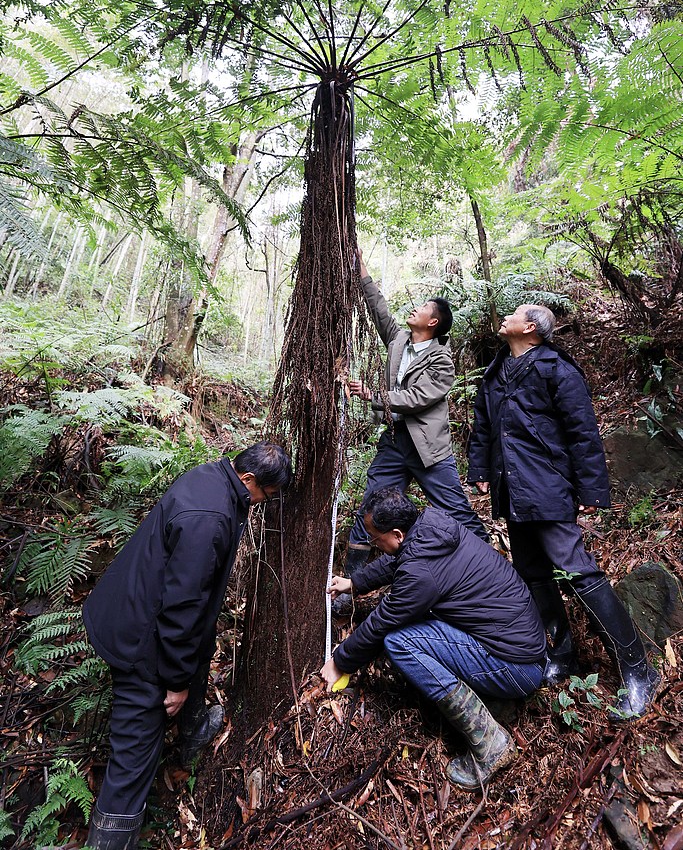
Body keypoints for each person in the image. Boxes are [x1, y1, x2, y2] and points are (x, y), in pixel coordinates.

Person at [81, 442, 292, 850]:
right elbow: (181, 609)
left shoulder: (213, 478)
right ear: (248, 480)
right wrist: (174, 681)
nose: (266, 503)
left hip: (133, 611)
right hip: (140, 641)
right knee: (133, 760)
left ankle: (191, 732)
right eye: (266, 495)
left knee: (197, 656)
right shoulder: (209, 519)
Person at [467, 304, 660, 719]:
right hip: (512, 489)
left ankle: (639, 670)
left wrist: (591, 488)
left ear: (531, 328)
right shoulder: (497, 370)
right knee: (533, 573)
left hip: (548, 485)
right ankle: (563, 655)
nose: (506, 317)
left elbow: (582, 431)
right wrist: (481, 469)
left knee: (579, 570)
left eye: (515, 314)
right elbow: (483, 426)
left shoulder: (556, 369)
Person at [321, 487, 546, 788]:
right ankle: (491, 698)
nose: (374, 543)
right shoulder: (431, 527)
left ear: (398, 533)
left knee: (400, 642)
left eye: (375, 538)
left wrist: (340, 661)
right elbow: (399, 560)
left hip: (515, 667)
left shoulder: (420, 574)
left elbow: (382, 621)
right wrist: (355, 581)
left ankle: (491, 742)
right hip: (521, 648)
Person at [338, 250, 488, 609]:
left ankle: (489, 564)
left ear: (433, 322)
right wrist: (362, 272)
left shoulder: (442, 360)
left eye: (422, 308)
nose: (414, 309)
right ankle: (346, 590)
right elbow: (379, 309)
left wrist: (375, 395)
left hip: (428, 450)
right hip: (394, 442)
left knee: (456, 509)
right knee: (369, 510)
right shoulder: (398, 341)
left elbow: (419, 397)